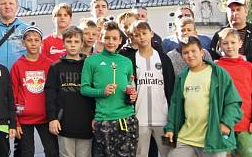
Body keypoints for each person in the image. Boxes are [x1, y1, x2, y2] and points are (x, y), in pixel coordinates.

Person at [209, 0, 252, 157]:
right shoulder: (219, 35)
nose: (235, 13)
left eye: (238, 9)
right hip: (226, 102)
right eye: (231, 10)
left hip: (251, 93)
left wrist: (246, 59)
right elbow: (211, 56)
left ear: (246, 11)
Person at [164, 37, 243, 157]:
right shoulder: (182, 77)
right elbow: (175, 105)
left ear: (202, 52)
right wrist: (170, 128)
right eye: (185, 52)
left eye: (193, 51)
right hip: (186, 137)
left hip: (213, 138)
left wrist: (226, 122)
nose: (190, 55)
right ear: (182, 56)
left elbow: (233, 101)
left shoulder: (218, 73)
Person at [81, 21, 138, 157]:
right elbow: (84, 89)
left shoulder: (126, 62)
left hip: (126, 119)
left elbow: (131, 86)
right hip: (103, 120)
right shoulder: (91, 61)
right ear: (101, 38)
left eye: (114, 38)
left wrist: (132, 95)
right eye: (107, 38)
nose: (110, 42)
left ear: (120, 41)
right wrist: (102, 92)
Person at [121, 21, 174, 157]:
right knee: (139, 154)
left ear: (151, 34)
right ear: (133, 37)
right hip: (140, 120)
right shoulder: (130, 60)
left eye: (144, 33)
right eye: (137, 35)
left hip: (164, 120)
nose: (142, 37)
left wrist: (172, 120)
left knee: (170, 153)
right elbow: (126, 88)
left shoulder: (164, 59)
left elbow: (171, 88)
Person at [45, 26, 95, 157]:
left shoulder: (89, 65)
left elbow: (95, 93)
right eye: (69, 41)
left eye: (76, 41)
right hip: (64, 123)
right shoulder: (56, 67)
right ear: (63, 43)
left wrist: (96, 117)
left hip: (86, 123)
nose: (72, 45)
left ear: (82, 43)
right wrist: (52, 118)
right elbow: (50, 94)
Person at [11, 26, 59, 157]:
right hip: (24, 118)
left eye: (36, 40)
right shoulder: (18, 65)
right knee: (27, 152)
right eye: (29, 40)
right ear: (23, 43)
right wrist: (15, 122)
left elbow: (54, 92)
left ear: (41, 43)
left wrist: (54, 116)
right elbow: (12, 95)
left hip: (45, 117)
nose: (33, 43)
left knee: (52, 151)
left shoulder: (49, 64)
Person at [216, 28, 252, 157]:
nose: (229, 46)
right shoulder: (216, 67)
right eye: (225, 43)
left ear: (240, 43)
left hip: (245, 124)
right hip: (223, 124)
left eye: (233, 42)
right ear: (220, 45)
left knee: (247, 154)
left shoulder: (249, 67)